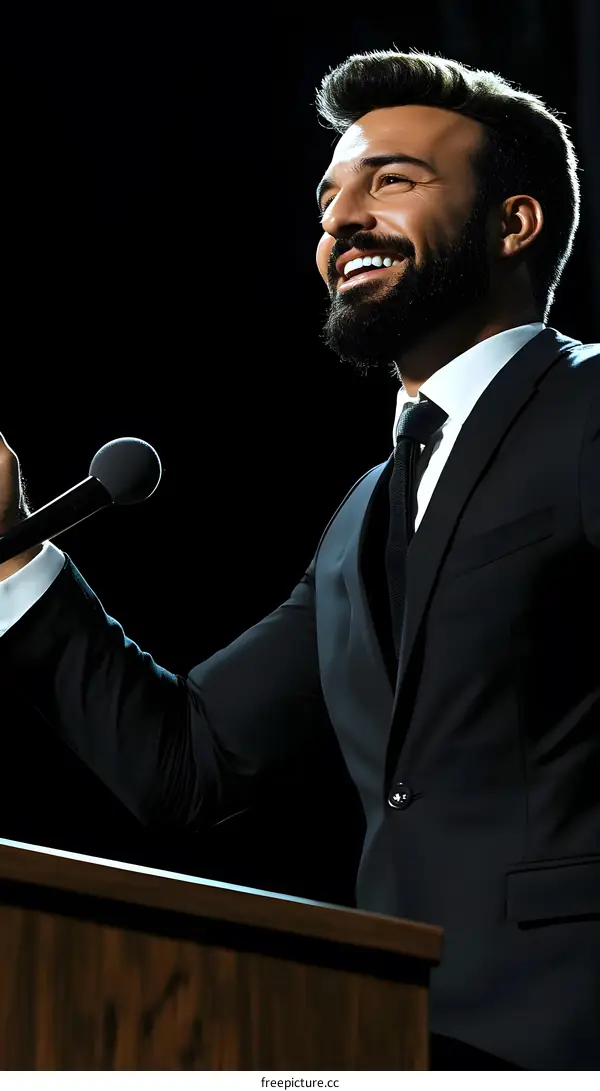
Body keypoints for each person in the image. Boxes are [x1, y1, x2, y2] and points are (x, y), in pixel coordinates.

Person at [0, 48, 598, 1071]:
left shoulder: (590, 410)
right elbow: (185, 761)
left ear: (515, 222)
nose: (340, 219)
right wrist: (14, 559)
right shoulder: (367, 511)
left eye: (392, 180)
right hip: (391, 1034)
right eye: (329, 196)